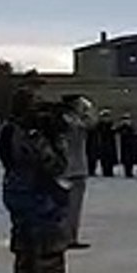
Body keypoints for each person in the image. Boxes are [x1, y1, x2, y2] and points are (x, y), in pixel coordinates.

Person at [0, 89, 72, 273]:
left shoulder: (10, 130)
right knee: (49, 258)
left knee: (25, 257)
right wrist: (57, 137)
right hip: (39, 197)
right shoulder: (32, 135)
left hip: (17, 194)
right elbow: (56, 165)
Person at [60, 95, 94, 249]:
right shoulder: (70, 120)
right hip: (72, 169)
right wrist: (88, 109)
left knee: (72, 208)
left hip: (72, 168)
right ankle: (68, 238)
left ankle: (70, 236)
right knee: (71, 208)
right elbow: (91, 123)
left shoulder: (68, 119)